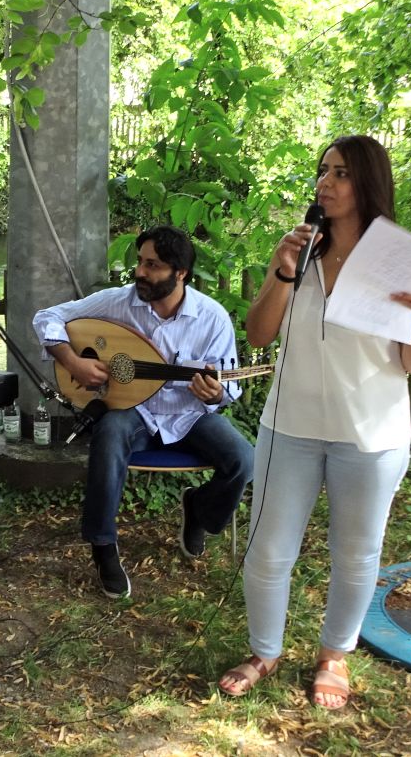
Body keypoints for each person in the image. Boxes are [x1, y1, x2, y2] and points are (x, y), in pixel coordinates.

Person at [217, 135, 411, 710]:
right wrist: (284, 273)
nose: (325, 182)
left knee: (356, 553)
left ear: (367, 183)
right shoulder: (298, 249)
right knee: (268, 549)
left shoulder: (404, 260)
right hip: (289, 425)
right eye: (322, 171)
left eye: (340, 173)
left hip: (372, 434)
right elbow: (259, 334)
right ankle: (265, 651)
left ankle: (334, 654)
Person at [33, 225, 255, 598]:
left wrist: (216, 393)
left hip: (188, 415)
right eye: (140, 261)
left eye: (152, 265)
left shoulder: (212, 318)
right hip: (132, 410)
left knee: (243, 460)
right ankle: (103, 546)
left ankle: (199, 510)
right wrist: (73, 362)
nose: (140, 271)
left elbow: (229, 387)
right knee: (110, 433)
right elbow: (47, 317)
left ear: (179, 273)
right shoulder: (119, 302)